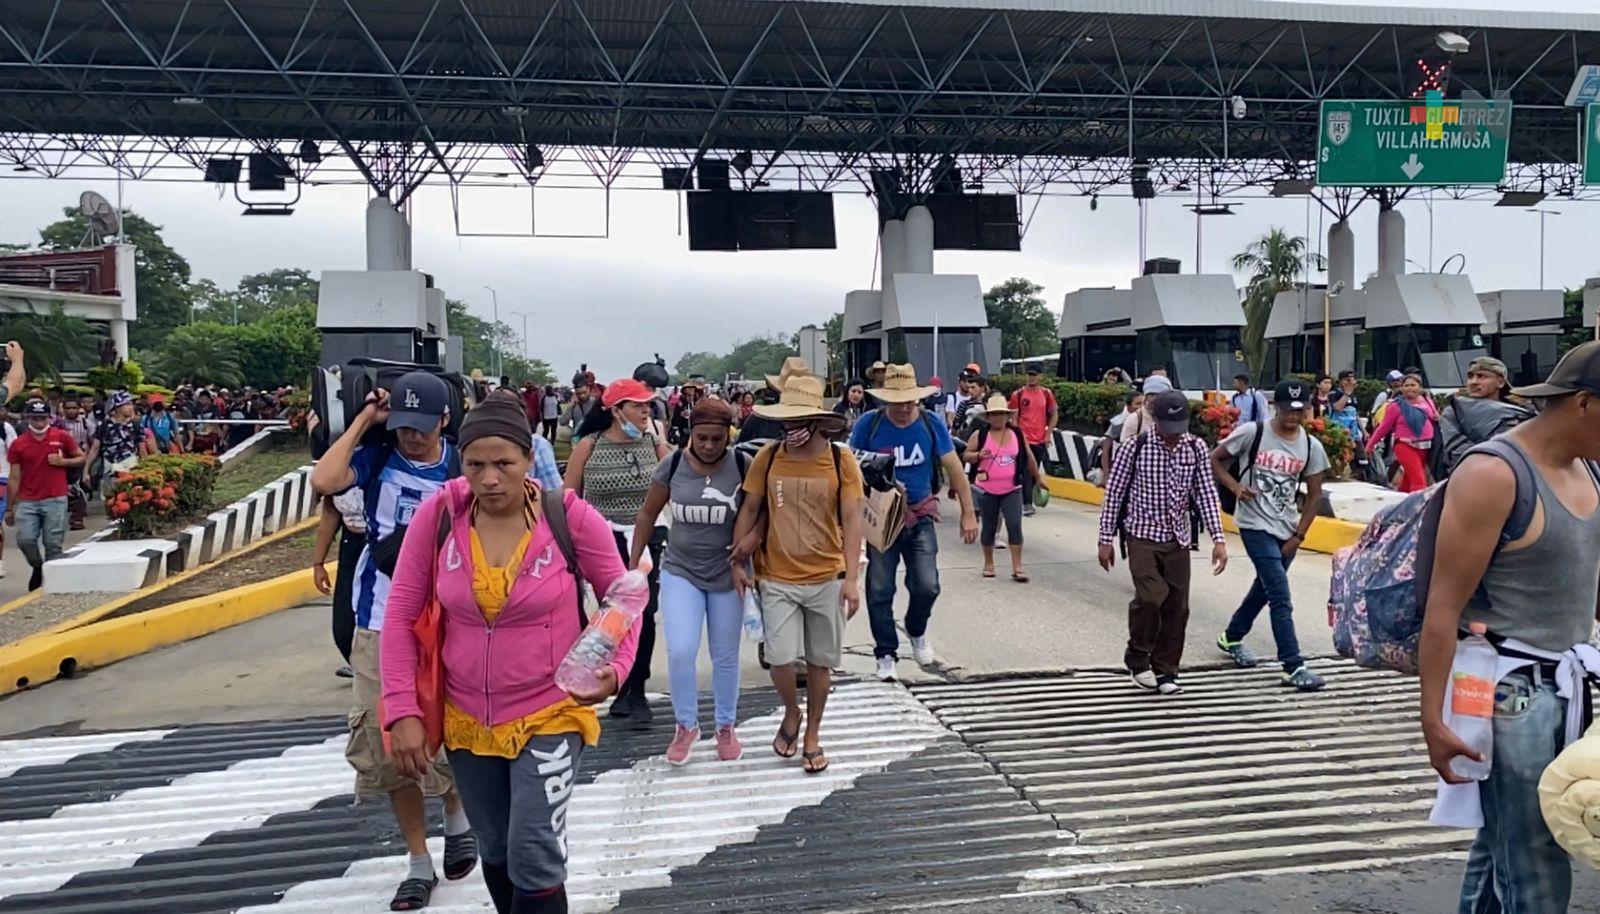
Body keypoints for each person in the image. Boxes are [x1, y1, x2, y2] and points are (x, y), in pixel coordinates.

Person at [383, 394, 631, 914]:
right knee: (494, 847)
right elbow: (402, 615)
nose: (490, 478)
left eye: (504, 463)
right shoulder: (440, 516)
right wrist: (400, 707)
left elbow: (625, 596)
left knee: (533, 852)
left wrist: (614, 670)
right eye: (476, 464)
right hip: (466, 718)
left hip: (551, 709)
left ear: (529, 457)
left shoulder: (569, 517)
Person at [1419, 341, 1600, 914]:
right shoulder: (1495, 475)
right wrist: (1432, 717)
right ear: (1585, 404)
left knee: (1500, 847)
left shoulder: (1589, 470)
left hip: (1571, 682)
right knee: (1534, 858)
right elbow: (1442, 606)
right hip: (1506, 693)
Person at [308, 371, 476, 912]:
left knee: (445, 735)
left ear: (444, 421)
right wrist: (365, 421)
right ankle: (417, 861)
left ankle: (456, 816)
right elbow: (324, 481)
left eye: (421, 428)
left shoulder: (463, 465)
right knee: (386, 746)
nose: (411, 437)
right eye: (403, 427)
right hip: (379, 620)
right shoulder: (377, 459)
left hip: (449, 620)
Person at [731, 372, 864, 774]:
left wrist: (852, 578)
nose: (791, 428)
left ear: (818, 421)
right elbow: (751, 508)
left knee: (821, 663)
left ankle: (813, 734)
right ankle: (792, 712)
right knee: (781, 659)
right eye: (786, 420)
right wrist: (739, 561)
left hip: (827, 576)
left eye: (799, 420)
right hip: (777, 577)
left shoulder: (841, 461)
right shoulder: (769, 458)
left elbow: (853, 518)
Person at [629, 397, 747, 766]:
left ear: (728, 436)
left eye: (717, 438)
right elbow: (648, 512)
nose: (709, 446)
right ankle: (686, 725)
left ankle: (725, 726)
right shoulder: (673, 464)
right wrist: (633, 566)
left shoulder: (744, 465)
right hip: (681, 570)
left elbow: (759, 514)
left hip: (727, 572)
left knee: (725, 655)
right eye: (702, 438)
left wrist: (749, 550)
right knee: (680, 649)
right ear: (690, 434)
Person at [850, 364, 978, 681]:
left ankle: (916, 629)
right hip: (882, 519)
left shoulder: (930, 423)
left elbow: (954, 468)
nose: (905, 408)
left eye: (910, 401)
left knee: (927, 584)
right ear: (886, 400)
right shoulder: (871, 424)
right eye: (898, 402)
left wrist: (968, 512)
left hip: (920, 515)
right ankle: (885, 653)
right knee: (879, 588)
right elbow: (850, 466)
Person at [1097, 389, 1228, 695]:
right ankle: (1138, 657)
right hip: (1141, 533)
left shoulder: (1194, 448)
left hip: (1177, 537)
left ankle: (1166, 670)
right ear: (1155, 421)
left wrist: (1218, 539)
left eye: (1178, 430)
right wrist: (1105, 540)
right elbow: (1114, 494)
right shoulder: (1136, 447)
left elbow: (1205, 494)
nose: (1172, 437)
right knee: (1152, 596)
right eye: (1168, 431)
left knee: (1177, 607)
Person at [563, 377, 670, 729]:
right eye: (638, 406)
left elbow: (677, 483)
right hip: (602, 541)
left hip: (646, 540)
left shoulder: (654, 444)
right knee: (609, 617)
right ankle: (612, 679)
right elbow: (569, 499)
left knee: (645, 613)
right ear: (616, 410)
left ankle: (635, 687)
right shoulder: (588, 446)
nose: (645, 412)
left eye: (648, 406)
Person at [1211, 380, 1330, 692]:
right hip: (1254, 524)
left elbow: (1315, 495)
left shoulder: (1310, 446)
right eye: (1287, 410)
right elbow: (1215, 459)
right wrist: (1236, 488)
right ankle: (1293, 665)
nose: (1293, 416)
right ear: (1275, 406)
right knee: (1280, 594)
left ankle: (1232, 636)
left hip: (1287, 528)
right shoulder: (1254, 432)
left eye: (1300, 410)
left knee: (1264, 589)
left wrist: (1298, 536)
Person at [6, 400, 83, 591]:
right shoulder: (19, 444)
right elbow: (14, 476)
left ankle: (51, 583)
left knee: (53, 543)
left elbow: (80, 457)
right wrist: (10, 507)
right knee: (25, 539)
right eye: (35, 418)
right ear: (28, 418)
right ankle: (37, 566)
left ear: (49, 417)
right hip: (28, 499)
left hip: (55, 497)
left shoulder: (62, 437)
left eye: (42, 418)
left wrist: (62, 462)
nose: (39, 422)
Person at [964, 394, 1041, 583]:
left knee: (1014, 525)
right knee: (989, 526)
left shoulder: (1016, 434)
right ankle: (988, 564)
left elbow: (1029, 456)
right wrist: (977, 455)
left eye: (1001, 414)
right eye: (994, 414)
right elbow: (966, 455)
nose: (998, 418)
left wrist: (1038, 478)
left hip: (1012, 488)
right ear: (988, 417)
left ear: (1007, 416)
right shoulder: (980, 435)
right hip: (986, 489)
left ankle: (1017, 566)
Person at [1436, 355, 1533, 478]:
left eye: (1482, 376)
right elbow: (1457, 451)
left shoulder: (1520, 412)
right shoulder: (1454, 412)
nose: (1473, 382)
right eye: (1470, 376)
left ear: (1501, 382)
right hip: (1472, 478)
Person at [311, 487, 366, 680]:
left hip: (388, 544)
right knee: (343, 628)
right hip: (352, 546)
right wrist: (318, 563)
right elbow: (329, 512)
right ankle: (363, 668)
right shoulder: (337, 473)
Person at [1365, 373, 1438, 493]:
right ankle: (1417, 509)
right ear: (1401, 388)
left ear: (1419, 387)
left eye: (1413, 385)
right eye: (1406, 385)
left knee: (1408, 481)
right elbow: (1383, 428)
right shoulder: (1395, 406)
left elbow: (1435, 418)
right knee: (1419, 481)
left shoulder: (1427, 401)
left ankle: (1400, 504)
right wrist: (1370, 445)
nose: (1410, 388)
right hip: (1405, 446)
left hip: (1426, 447)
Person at [1008, 366, 1058, 516]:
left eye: (1034, 375)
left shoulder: (1046, 394)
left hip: (1040, 440)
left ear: (1040, 376)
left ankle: (1027, 499)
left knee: (1033, 470)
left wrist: (1048, 433)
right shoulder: (1018, 394)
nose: (1031, 378)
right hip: (1024, 439)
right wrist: (1017, 436)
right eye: (1029, 375)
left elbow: (1054, 414)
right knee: (1027, 470)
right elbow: (1014, 418)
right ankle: (1027, 503)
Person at [84, 391, 152, 495]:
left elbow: (142, 450)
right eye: (126, 404)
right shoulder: (105, 425)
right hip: (109, 469)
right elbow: (95, 449)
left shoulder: (136, 426)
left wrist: (147, 470)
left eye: (131, 404)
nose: (130, 407)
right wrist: (86, 471)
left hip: (130, 468)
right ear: (117, 407)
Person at [1094, 391, 1144, 487]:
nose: (1141, 407)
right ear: (1129, 407)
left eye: (1143, 403)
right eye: (1138, 404)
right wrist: (1106, 473)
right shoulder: (1119, 422)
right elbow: (1106, 448)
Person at [59, 397, 94, 530]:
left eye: (74, 408)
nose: (71, 411)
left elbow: (92, 442)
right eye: (68, 408)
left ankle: (77, 517)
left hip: (81, 460)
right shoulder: (59, 424)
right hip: (63, 461)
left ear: (79, 408)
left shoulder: (86, 424)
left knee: (79, 488)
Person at [1119, 375, 1173, 443]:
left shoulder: (1174, 417)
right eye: (1152, 394)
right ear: (1146, 397)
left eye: (1160, 394)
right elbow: (1124, 447)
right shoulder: (1136, 419)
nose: (1155, 398)